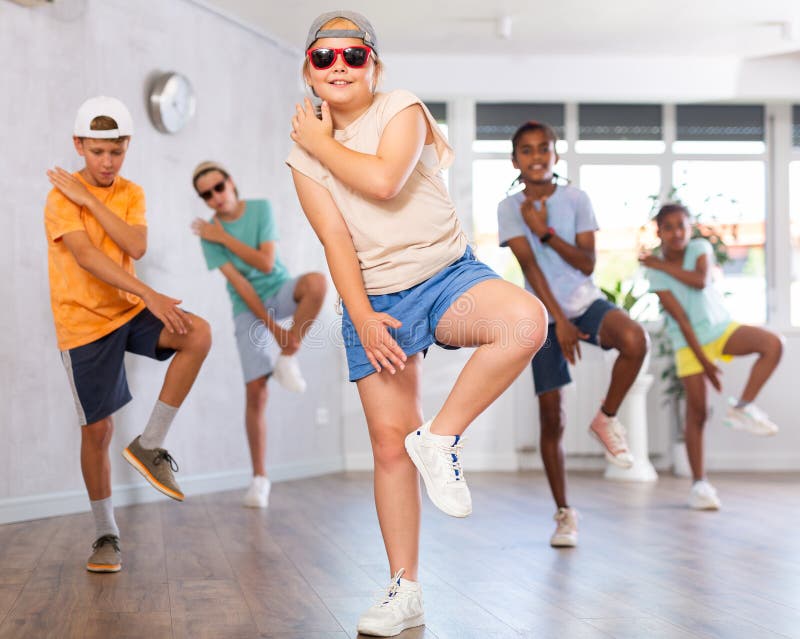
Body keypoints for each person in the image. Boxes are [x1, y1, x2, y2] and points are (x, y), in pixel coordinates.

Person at [286, 11, 546, 637]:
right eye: (325, 57)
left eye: (354, 55)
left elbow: (382, 181)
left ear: (373, 66)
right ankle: (405, 591)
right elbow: (335, 242)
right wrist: (364, 318)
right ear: (309, 70)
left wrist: (321, 143)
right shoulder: (301, 159)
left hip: (446, 273)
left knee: (523, 321)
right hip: (375, 296)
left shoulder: (400, 108)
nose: (340, 66)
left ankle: (442, 438)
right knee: (386, 444)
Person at [44, 96, 211, 573]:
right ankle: (105, 534)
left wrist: (91, 200)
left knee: (197, 333)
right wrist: (150, 293)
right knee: (97, 431)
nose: (106, 162)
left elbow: (135, 244)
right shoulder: (60, 196)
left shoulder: (128, 191)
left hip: (127, 312)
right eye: (97, 152)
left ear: (126, 147)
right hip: (82, 324)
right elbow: (87, 257)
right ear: (79, 145)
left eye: (115, 152)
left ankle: (151, 444)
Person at [497, 121, 648, 548]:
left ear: (556, 155)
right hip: (542, 315)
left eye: (544, 148)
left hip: (585, 301)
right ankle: (564, 513)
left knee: (635, 340)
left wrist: (544, 231)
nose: (537, 156)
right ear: (515, 161)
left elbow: (585, 264)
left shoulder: (577, 199)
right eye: (526, 150)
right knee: (553, 417)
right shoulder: (508, 208)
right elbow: (530, 268)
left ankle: (606, 417)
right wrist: (557, 320)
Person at [191, 161, 327, 508]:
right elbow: (241, 286)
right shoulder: (207, 237)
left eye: (218, 187)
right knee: (256, 393)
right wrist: (274, 330)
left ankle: (287, 359)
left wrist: (222, 236)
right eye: (206, 194)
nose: (215, 197)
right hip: (247, 307)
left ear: (231, 181)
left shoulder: (258, 210)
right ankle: (259, 479)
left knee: (316, 282)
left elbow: (266, 265)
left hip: (279, 288)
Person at [641, 203, 783, 510]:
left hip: (720, 328)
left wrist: (661, 264)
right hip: (688, 341)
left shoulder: (698, 248)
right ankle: (699, 485)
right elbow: (679, 318)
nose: (677, 232)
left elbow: (700, 280)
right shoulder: (654, 274)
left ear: (690, 228)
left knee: (773, 345)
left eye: (682, 225)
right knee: (698, 413)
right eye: (669, 227)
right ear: (659, 232)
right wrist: (705, 363)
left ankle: (743, 408)